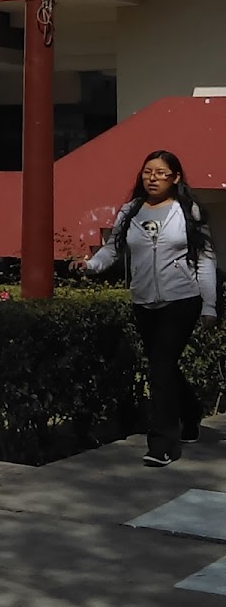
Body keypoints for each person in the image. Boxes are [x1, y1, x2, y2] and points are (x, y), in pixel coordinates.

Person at [82, 149, 217, 467]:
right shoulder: (131, 210)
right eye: (147, 172)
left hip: (182, 299)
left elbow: (205, 259)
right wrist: (90, 265)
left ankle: (163, 444)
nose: (153, 178)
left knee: (160, 365)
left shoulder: (189, 211)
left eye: (160, 173)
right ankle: (191, 410)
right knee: (164, 365)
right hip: (144, 300)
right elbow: (112, 249)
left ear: (176, 178)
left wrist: (209, 305)